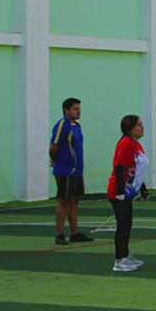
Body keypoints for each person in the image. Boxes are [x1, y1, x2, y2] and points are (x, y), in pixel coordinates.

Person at [106, 114, 149, 272]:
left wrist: (142, 189)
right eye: (139, 125)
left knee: (128, 223)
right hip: (118, 191)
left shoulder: (136, 144)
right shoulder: (125, 144)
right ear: (130, 128)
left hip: (129, 191)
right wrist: (119, 192)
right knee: (122, 225)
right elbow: (119, 168)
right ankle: (119, 260)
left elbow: (138, 170)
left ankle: (125, 255)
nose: (142, 127)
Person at [50, 96, 92, 246]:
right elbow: (54, 146)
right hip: (65, 170)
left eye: (79, 109)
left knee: (74, 201)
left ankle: (74, 233)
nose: (78, 112)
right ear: (66, 110)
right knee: (63, 200)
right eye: (75, 109)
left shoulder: (77, 126)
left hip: (77, 171)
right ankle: (59, 233)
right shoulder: (63, 125)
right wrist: (56, 161)